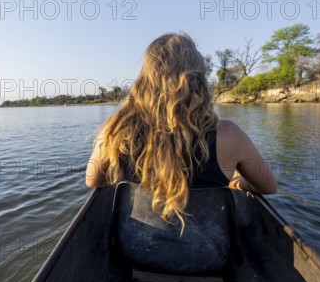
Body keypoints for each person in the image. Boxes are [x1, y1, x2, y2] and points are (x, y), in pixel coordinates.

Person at [86, 32, 277, 226]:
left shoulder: (116, 128)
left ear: (145, 79)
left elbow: (93, 180)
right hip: (211, 250)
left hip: (134, 246)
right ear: (198, 79)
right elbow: (268, 186)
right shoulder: (230, 134)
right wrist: (236, 182)